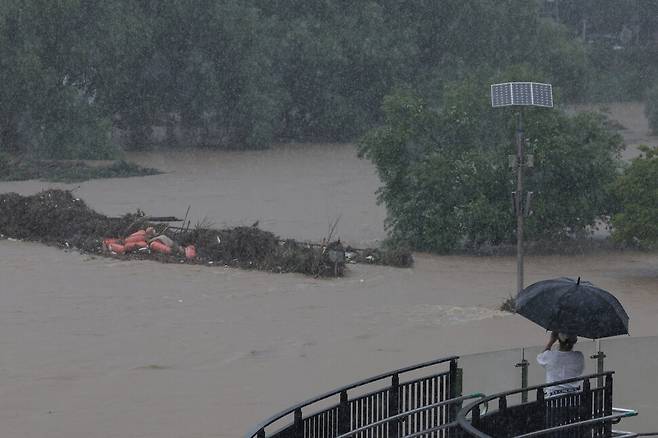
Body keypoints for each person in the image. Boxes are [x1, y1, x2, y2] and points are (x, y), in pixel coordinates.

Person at [537, 331, 585, 398]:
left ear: (559, 340)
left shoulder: (550, 356)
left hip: (553, 401)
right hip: (574, 400)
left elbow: (540, 357)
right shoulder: (579, 356)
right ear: (574, 341)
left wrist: (551, 341)